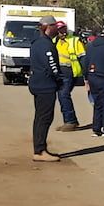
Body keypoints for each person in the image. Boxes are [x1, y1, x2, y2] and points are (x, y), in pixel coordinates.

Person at [28, 16, 63, 162]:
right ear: (49, 27)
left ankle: (40, 148)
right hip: (45, 86)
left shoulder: (37, 42)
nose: (57, 29)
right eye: (55, 26)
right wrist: (59, 79)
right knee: (44, 118)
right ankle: (39, 150)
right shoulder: (45, 44)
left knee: (40, 118)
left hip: (37, 84)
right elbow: (52, 66)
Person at [54, 21, 86, 131]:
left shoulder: (74, 41)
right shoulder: (55, 41)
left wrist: (86, 76)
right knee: (62, 95)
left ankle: (70, 121)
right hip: (59, 72)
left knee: (64, 95)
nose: (62, 32)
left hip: (70, 71)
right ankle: (69, 120)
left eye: (63, 29)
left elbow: (83, 58)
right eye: (59, 30)